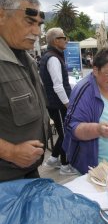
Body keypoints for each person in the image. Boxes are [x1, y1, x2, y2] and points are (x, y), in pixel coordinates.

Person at [0, 0, 49, 181]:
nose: (37, 32)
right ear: (2, 15)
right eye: (30, 22)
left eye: (39, 24)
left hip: (27, 172)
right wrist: (11, 152)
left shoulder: (25, 57)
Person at [39, 27, 77, 175]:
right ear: (56, 41)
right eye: (63, 37)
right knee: (66, 133)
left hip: (54, 103)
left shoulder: (50, 55)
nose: (66, 40)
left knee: (62, 132)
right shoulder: (53, 58)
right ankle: (65, 166)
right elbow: (58, 86)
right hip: (58, 104)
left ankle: (53, 158)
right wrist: (67, 104)